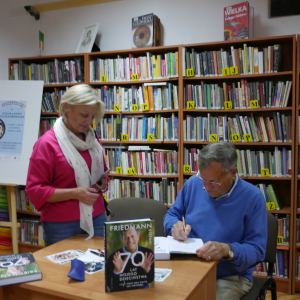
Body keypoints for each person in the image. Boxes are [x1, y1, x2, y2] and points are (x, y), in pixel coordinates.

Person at [164, 142, 267, 300]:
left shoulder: (253, 197)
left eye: (214, 182)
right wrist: (173, 226)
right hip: (190, 267)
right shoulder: (194, 183)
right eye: (203, 179)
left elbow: (257, 251)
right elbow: (172, 214)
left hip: (230, 276)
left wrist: (227, 250)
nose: (206, 186)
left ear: (233, 173)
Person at [26, 84, 109, 246]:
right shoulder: (47, 144)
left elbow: (103, 172)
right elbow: (35, 190)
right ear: (66, 108)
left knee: (99, 269)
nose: (89, 122)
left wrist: (103, 184)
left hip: (97, 216)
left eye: (92, 116)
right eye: (84, 115)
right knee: (62, 271)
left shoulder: (93, 139)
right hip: (61, 224)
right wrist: (75, 193)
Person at [106, 224, 154, 292]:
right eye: (126, 237)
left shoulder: (147, 253)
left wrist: (147, 270)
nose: (130, 240)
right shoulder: (114, 257)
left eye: (132, 236)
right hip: (120, 295)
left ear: (138, 236)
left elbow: (150, 280)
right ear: (122, 239)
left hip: (141, 294)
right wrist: (117, 271)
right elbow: (110, 285)